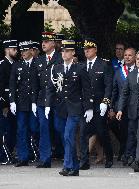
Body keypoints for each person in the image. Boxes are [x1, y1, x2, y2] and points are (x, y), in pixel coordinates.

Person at [46, 40, 93, 176]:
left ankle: (67, 166)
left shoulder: (80, 68)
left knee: (68, 135)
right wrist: (48, 105)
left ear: (73, 53)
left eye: (67, 51)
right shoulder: (57, 68)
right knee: (66, 138)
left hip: (75, 108)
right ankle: (75, 167)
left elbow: (87, 89)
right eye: (63, 51)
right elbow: (51, 88)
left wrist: (89, 107)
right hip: (61, 108)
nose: (64, 53)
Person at [79, 38, 114, 170]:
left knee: (102, 131)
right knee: (83, 132)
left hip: (99, 105)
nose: (86, 51)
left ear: (95, 50)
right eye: (85, 49)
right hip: (86, 105)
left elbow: (108, 86)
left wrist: (106, 102)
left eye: (89, 49)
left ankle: (109, 156)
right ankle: (84, 160)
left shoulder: (104, 64)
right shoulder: (81, 66)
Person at [32, 32, 63, 168]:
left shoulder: (60, 57)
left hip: (57, 100)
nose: (43, 44)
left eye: (46, 41)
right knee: (43, 128)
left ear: (53, 43)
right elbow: (34, 84)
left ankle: (66, 154)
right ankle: (45, 159)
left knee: (58, 127)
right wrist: (34, 101)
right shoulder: (38, 60)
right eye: (42, 41)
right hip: (42, 101)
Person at [9, 41, 38, 167]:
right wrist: (12, 101)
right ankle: (23, 157)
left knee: (34, 128)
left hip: (35, 102)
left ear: (31, 51)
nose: (23, 53)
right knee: (21, 129)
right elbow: (12, 84)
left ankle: (36, 153)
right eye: (21, 51)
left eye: (25, 50)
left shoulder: (38, 64)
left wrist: (35, 101)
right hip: (21, 103)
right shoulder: (17, 65)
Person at [109, 47, 136, 164]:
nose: (127, 57)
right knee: (124, 131)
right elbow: (114, 91)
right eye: (125, 55)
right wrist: (111, 107)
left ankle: (131, 154)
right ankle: (125, 152)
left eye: (130, 55)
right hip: (122, 108)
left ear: (135, 57)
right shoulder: (119, 72)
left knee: (134, 131)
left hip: (136, 106)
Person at [0, 40, 18, 164]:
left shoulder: (16, 64)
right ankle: (4, 155)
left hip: (15, 102)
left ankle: (9, 152)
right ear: (7, 50)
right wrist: (4, 105)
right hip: (5, 103)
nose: (16, 51)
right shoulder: (2, 65)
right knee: (5, 130)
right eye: (13, 49)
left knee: (13, 129)